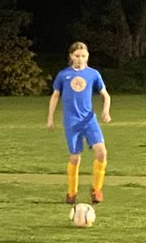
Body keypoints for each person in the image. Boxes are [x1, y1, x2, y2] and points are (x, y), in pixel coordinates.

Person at [46, 40, 111, 205]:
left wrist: (105, 111)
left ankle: (96, 190)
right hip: (71, 122)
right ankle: (72, 192)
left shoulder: (93, 74)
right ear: (71, 56)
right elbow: (55, 96)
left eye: (83, 56)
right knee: (75, 158)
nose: (80, 59)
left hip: (89, 120)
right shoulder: (63, 75)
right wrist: (50, 118)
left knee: (101, 152)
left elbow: (106, 95)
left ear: (87, 56)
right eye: (77, 56)